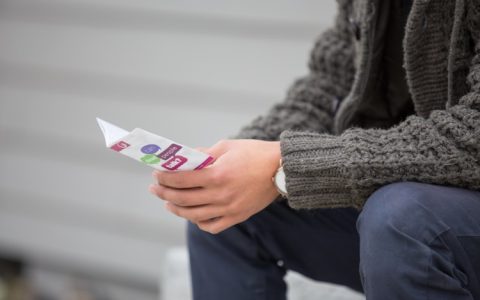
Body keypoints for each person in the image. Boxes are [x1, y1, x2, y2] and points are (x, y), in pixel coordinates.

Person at [149, 0, 480, 299]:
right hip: (391, 231)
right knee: (225, 207)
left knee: (401, 218)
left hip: (427, 226)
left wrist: (285, 167)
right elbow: (330, 86)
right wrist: (243, 160)